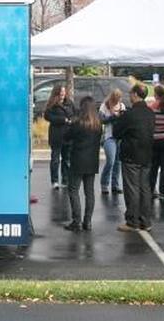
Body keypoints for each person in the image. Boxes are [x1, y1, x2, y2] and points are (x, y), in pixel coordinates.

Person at [113, 83, 155, 232]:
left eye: (131, 93)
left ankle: (132, 221)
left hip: (131, 154)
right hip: (147, 154)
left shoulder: (129, 114)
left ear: (136, 94)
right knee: (145, 188)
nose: (129, 96)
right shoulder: (150, 113)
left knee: (132, 189)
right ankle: (146, 220)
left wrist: (118, 119)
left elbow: (116, 133)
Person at [64, 96, 104, 231]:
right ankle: (88, 222)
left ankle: (77, 221)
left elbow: (67, 137)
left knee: (73, 190)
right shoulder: (98, 126)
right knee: (90, 192)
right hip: (92, 161)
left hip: (78, 160)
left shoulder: (78, 124)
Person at [43, 84, 75, 189]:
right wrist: (62, 120)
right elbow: (47, 116)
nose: (63, 93)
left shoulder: (70, 103)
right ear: (56, 93)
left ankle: (65, 180)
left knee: (67, 159)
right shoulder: (52, 104)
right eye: (61, 92)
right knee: (55, 159)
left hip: (68, 135)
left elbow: (75, 114)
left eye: (64, 91)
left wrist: (73, 120)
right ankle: (55, 181)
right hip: (56, 136)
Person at [99, 89, 125, 195]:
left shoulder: (122, 106)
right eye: (116, 99)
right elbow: (101, 120)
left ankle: (115, 185)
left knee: (118, 162)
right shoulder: (104, 106)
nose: (117, 101)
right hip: (109, 136)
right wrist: (113, 116)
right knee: (111, 160)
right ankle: (104, 183)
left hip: (120, 136)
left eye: (119, 99)